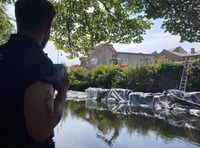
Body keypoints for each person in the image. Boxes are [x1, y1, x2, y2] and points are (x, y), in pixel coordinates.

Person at [0, 0, 69, 147]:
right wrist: (62, 93)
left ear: (19, 22)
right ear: (48, 28)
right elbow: (40, 132)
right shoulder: (39, 64)